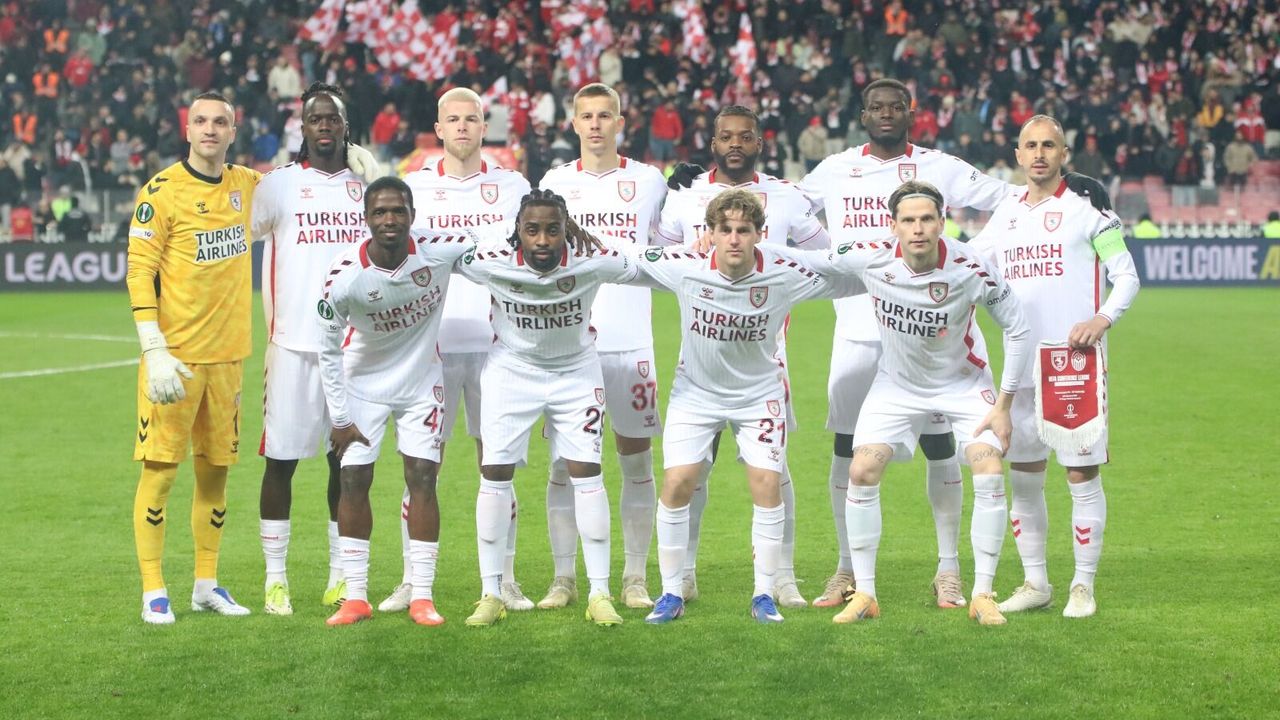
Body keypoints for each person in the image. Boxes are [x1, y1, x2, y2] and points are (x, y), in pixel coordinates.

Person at [799, 78, 1109, 609]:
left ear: (911, 112)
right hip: (858, 331)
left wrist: (1072, 189)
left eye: (897, 106)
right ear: (862, 114)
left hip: (940, 340)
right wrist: (701, 200)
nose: (886, 114)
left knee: (942, 448)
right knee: (849, 452)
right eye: (876, 107)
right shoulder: (834, 169)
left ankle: (950, 570)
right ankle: (846, 569)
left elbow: (1012, 196)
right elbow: (784, 210)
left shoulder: (939, 167)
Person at [797, 180, 1032, 626]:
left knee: (987, 467)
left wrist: (1003, 405)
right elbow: (810, 260)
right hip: (896, 385)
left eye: (927, 219)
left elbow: (1017, 327)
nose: (918, 229)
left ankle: (982, 593)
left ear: (942, 222)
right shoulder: (872, 256)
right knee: (861, 470)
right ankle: (865, 593)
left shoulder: (971, 266)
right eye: (908, 220)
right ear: (894, 226)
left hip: (963, 384)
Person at [640, 189, 861, 625]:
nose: (734, 238)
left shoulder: (784, 272)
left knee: (766, 484)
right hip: (695, 394)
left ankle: (764, 593)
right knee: (678, 482)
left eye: (744, 230)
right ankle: (670, 591)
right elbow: (625, 262)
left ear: (760, 233)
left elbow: (845, 274)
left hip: (759, 396)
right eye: (725, 230)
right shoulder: (685, 266)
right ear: (710, 233)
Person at [655, 105, 829, 608]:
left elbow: (824, 255)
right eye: (726, 136)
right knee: (693, 467)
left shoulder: (787, 197)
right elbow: (653, 253)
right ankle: (683, 575)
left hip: (766, 354)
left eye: (746, 136)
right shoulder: (684, 194)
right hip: (702, 351)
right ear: (713, 143)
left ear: (759, 142)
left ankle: (782, 577)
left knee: (774, 470)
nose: (736, 144)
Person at [968, 115, 1140, 619]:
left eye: (1049, 145)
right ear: (1017, 155)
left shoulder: (1089, 213)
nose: (1039, 154)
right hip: (1019, 367)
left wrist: (1102, 318)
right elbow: (968, 264)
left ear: (1064, 154)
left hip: (1073, 365)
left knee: (1081, 473)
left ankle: (1083, 586)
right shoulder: (1005, 215)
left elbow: (1126, 277)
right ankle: (1036, 582)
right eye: (1030, 145)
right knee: (1025, 477)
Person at [453, 189, 637, 628]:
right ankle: (491, 592)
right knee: (494, 472)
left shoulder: (594, 258)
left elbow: (644, 265)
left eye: (553, 230)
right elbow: (441, 250)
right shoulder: (489, 259)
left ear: (566, 230)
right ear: (517, 230)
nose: (541, 240)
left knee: (587, 473)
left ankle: (599, 593)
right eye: (531, 230)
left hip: (576, 373)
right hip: (511, 372)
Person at [384, 87, 535, 615]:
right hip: (433, 348)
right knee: (422, 467)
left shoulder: (513, 186)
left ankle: (505, 579)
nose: (464, 127)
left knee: (497, 465)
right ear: (439, 129)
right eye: (454, 120)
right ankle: (411, 579)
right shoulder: (415, 187)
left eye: (472, 118)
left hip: (499, 348)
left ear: (485, 127)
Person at [126, 92, 260, 624]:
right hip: (175, 362)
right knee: (160, 473)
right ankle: (153, 589)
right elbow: (139, 270)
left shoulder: (247, 185)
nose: (209, 129)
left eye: (220, 122)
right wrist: (153, 348)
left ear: (233, 131)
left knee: (215, 475)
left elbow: (302, 194)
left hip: (228, 361)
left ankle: (206, 583)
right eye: (200, 121)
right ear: (187, 130)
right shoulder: (160, 193)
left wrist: (354, 169)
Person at [317, 176, 475, 627]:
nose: (390, 219)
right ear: (366, 219)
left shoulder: (438, 250)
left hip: (422, 381)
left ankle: (422, 595)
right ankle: (355, 597)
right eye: (380, 212)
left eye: (398, 210)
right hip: (362, 384)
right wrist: (340, 418)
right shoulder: (343, 275)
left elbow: (496, 239)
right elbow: (327, 350)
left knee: (423, 476)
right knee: (353, 480)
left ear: (412, 215)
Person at [539, 83, 669, 610]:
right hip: (570, 346)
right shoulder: (554, 183)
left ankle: (635, 576)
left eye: (605, 115)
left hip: (631, 343)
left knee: (636, 463)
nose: (595, 124)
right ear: (573, 124)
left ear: (620, 122)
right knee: (562, 467)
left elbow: (671, 247)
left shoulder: (649, 181)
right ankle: (563, 578)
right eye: (587, 116)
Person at [251, 82, 370, 616]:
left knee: (347, 466)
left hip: (353, 349)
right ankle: (275, 579)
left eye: (333, 118)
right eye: (315, 118)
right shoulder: (277, 185)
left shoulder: (365, 184)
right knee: (280, 463)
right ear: (303, 127)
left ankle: (340, 575)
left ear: (345, 126)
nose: (324, 125)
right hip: (293, 346)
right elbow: (236, 233)